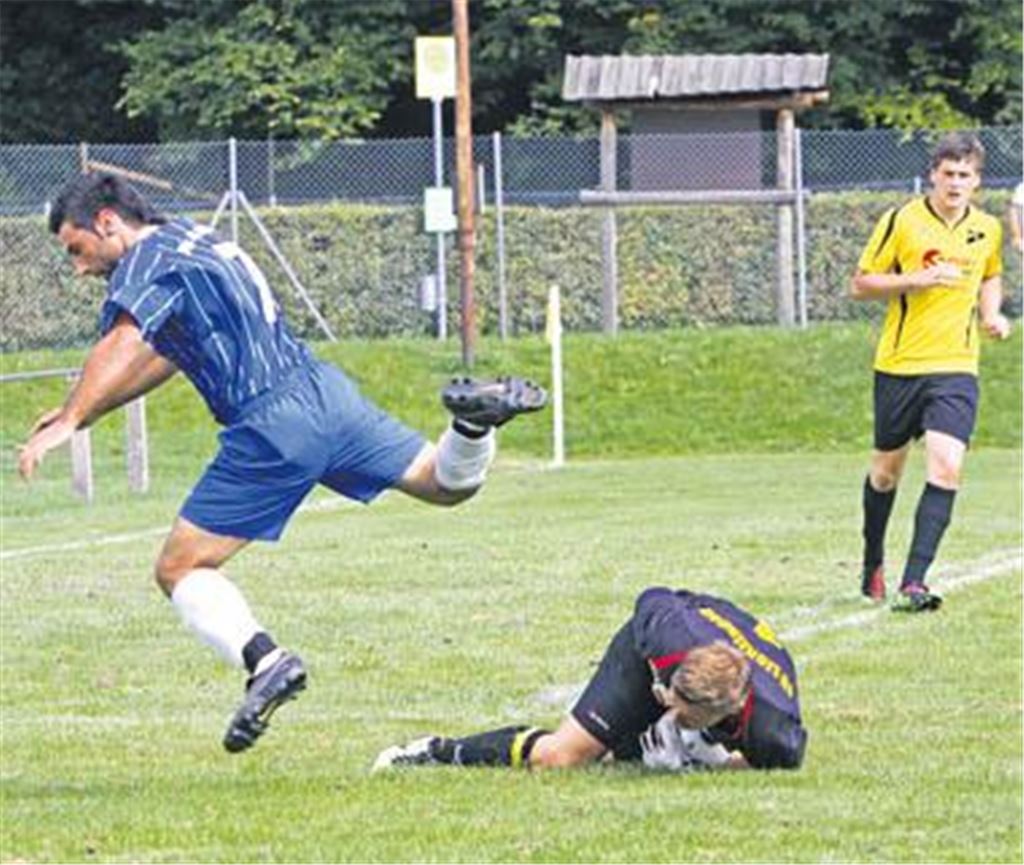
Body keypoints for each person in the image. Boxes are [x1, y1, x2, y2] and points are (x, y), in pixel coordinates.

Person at [18, 172, 546, 753]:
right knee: (442, 483)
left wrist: (68, 420)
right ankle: (472, 423)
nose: (78, 267)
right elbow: (163, 354)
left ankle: (265, 661)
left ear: (108, 223)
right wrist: (86, 411)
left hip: (272, 423)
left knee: (179, 568)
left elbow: (122, 342)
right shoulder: (198, 240)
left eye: (76, 249)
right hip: (325, 391)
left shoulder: (143, 262)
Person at [373, 586, 807, 773]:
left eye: (679, 710)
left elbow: (752, 764)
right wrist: (660, 685)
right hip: (651, 652)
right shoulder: (669, 636)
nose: (668, 706)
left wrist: (709, 761)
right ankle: (436, 751)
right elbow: (652, 596)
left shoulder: (777, 734)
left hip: (721, 687)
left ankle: (633, 748)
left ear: (723, 711)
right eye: (668, 699)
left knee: (622, 757)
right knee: (559, 758)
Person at [851, 132, 1010, 613]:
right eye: (949, 174)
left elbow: (990, 276)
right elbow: (861, 284)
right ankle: (872, 561)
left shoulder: (987, 228)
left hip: (956, 367)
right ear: (933, 175)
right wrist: (915, 280)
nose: (956, 183)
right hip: (900, 366)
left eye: (966, 175)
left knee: (947, 466)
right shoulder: (901, 220)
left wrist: (991, 315)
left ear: (977, 180)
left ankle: (914, 581)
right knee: (885, 474)